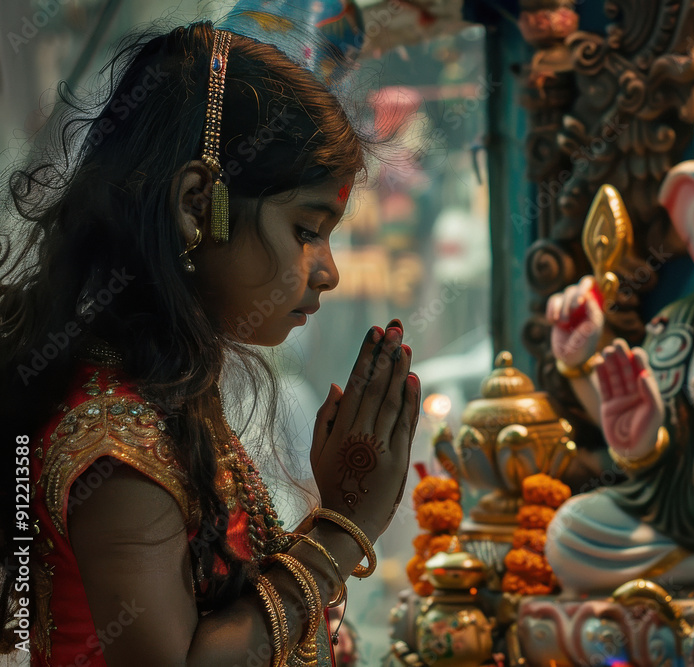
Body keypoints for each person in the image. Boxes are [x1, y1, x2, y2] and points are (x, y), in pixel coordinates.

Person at [0, 3, 420, 665]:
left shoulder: (163, 389)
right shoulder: (113, 440)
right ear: (199, 204)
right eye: (307, 231)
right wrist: (345, 525)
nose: (329, 271)